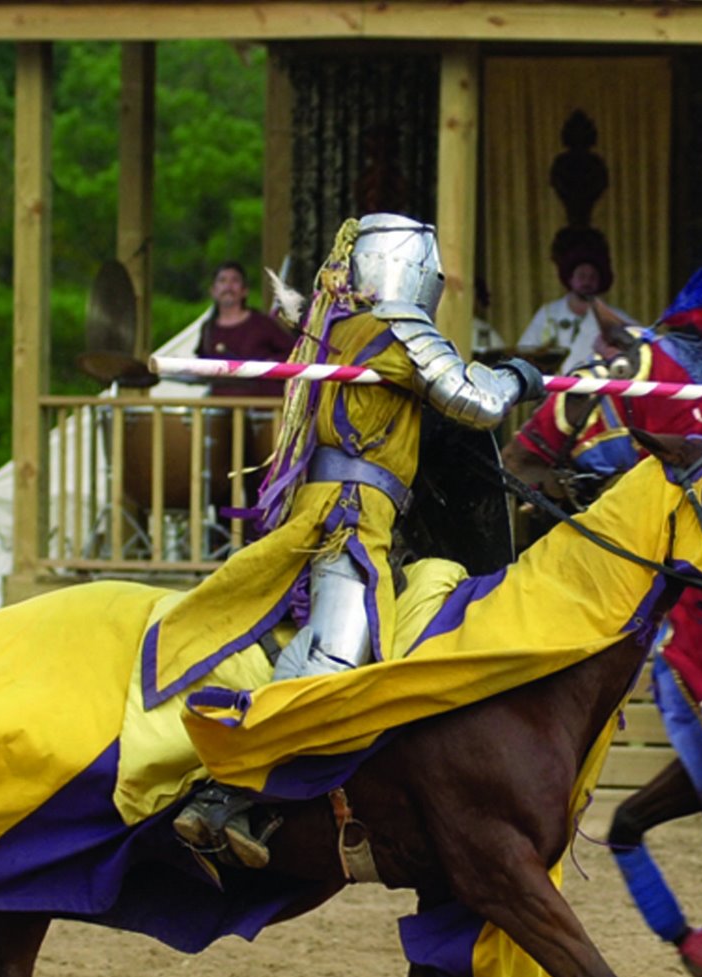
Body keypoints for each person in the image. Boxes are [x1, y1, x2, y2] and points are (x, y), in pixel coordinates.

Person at [170, 214, 543, 863]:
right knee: (340, 664)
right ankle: (222, 791)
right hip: (349, 517)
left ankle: (256, 801)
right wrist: (517, 377)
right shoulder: (395, 328)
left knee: (314, 651)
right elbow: (471, 400)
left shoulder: (332, 330)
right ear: (413, 269)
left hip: (341, 515)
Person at [516, 228, 631, 373]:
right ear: (570, 279)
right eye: (582, 276)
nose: (587, 282)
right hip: (553, 390)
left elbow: (637, 344)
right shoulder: (548, 313)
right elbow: (524, 351)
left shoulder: (614, 318)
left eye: (592, 277)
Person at [197, 262, 294, 398]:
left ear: (244, 291)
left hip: (262, 410)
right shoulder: (208, 329)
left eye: (235, 280)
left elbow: (293, 352)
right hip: (221, 408)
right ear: (213, 291)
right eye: (222, 280)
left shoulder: (263, 323)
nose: (228, 286)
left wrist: (268, 365)